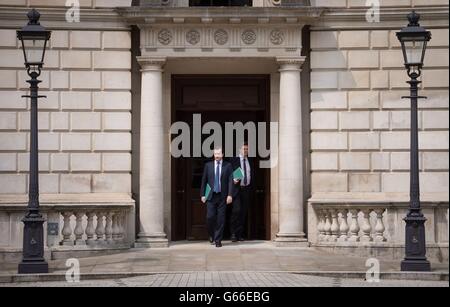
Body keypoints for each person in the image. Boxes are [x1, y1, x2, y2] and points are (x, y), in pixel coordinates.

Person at [200, 147, 233, 248]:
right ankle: (212, 234)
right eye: (215, 154)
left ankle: (218, 240)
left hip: (222, 196)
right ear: (213, 155)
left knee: (221, 219)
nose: (217, 156)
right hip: (211, 196)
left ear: (222, 154)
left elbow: (230, 181)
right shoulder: (208, 166)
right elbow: (204, 181)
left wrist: (230, 195)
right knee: (210, 217)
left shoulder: (228, 165)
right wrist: (202, 195)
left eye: (219, 154)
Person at [230, 142, 254, 242]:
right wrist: (233, 179)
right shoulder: (234, 160)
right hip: (236, 189)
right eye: (244, 149)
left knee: (243, 213)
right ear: (239, 150)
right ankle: (233, 233)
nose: (245, 151)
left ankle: (239, 235)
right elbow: (228, 173)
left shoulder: (250, 161)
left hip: (246, 189)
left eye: (247, 149)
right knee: (236, 210)